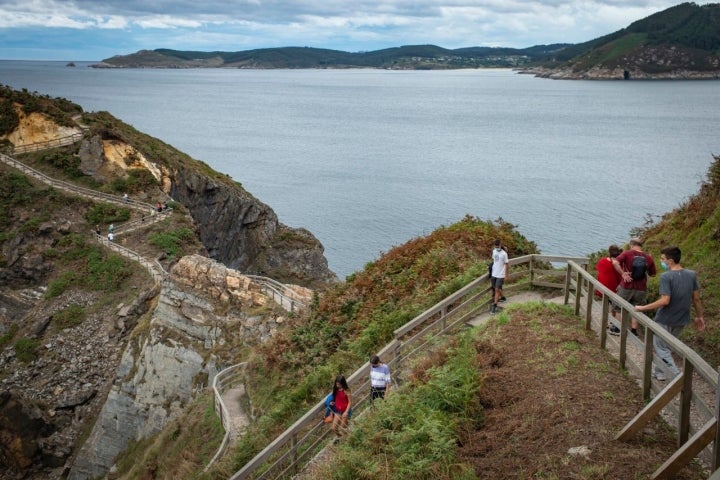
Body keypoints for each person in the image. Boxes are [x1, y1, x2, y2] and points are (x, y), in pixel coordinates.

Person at [634, 247, 705, 381]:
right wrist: (699, 316)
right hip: (682, 318)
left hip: (665, 318)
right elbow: (696, 299)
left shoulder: (666, 276)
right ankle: (660, 372)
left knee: (661, 347)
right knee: (667, 347)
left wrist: (643, 308)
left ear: (670, 261)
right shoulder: (691, 274)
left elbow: (665, 300)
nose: (661, 262)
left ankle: (677, 378)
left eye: (663, 259)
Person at [612, 237, 656, 336]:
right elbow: (653, 274)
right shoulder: (648, 258)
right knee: (637, 307)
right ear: (641, 245)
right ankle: (634, 330)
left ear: (631, 245)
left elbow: (615, 262)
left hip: (626, 286)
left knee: (619, 306)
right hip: (641, 288)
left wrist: (623, 273)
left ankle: (617, 328)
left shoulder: (627, 253)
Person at [595, 244, 623, 334]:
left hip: (603, 288)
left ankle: (606, 322)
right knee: (616, 307)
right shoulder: (620, 263)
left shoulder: (602, 261)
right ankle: (614, 323)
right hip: (615, 288)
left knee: (605, 306)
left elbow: (599, 271)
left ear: (609, 252)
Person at [490, 239, 509, 314]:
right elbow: (494, 261)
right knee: (495, 288)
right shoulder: (494, 251)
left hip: (501, 274)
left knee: (497, 289)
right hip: (494, 273)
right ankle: (503, 298)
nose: (496, 247)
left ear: (500, 245)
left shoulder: (504, 254)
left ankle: (495, 306)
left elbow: (507, 264)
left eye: (498, 246)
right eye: (495, 246)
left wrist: (506, 275)